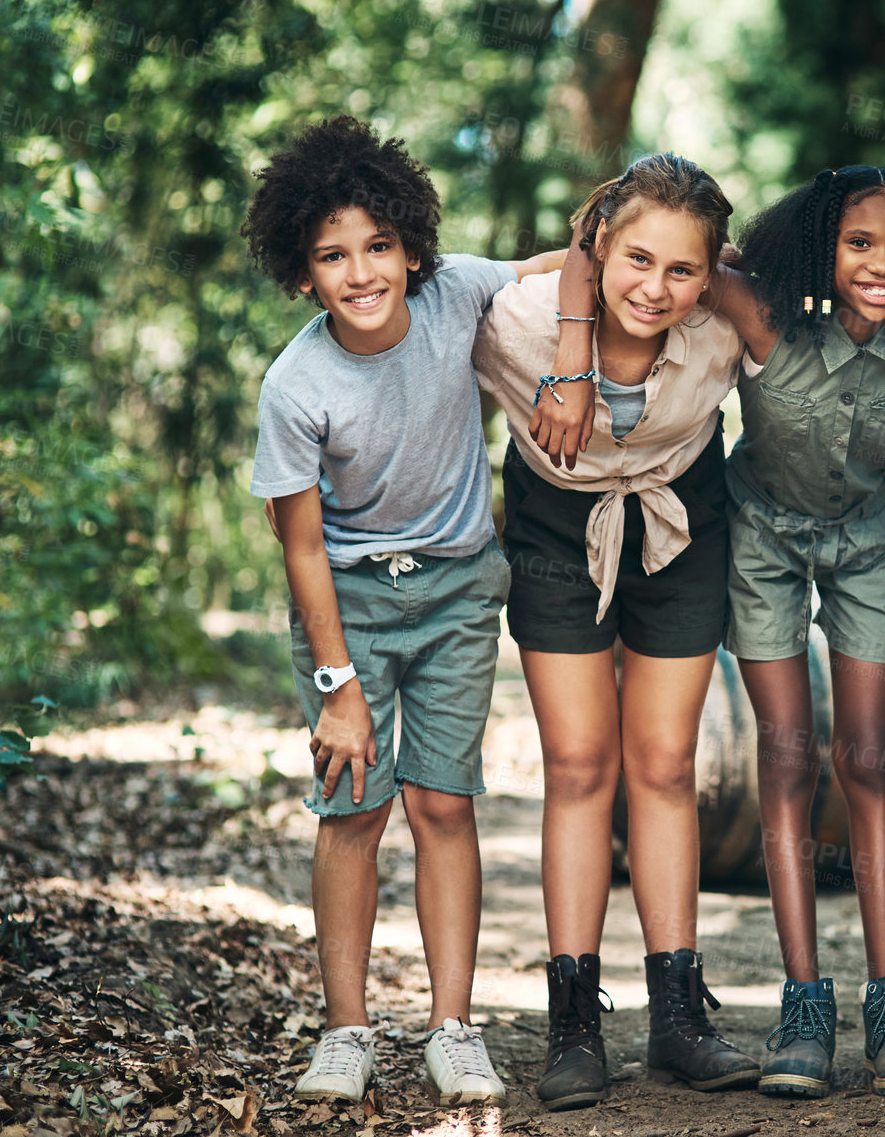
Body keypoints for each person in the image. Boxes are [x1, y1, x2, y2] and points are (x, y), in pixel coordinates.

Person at [242, 115, 562, 1106]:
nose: (361, 271)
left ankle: (452, 1028)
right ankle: (345, 1032)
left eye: (378, 246)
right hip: (348, 607)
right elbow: (298, 545)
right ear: (302, 274)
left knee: (442, 804)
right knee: (355, 810)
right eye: (333, 256)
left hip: (461, 589)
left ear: (412, 247)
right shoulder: (297, 385)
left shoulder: (457, 288)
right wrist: (337, 684)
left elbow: (557, 268)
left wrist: (661, 247)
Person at [470, 153, 759, 1109]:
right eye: (637, 260)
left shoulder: (720, 324)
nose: (657, 287)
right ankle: (574, 1025)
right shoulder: (516, 322)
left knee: (666, 764)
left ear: (711, 272)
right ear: (599, 246)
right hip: (557, 525)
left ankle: (678, 1017)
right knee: (583, 764)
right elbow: (409, 315)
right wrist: (568, 343)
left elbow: (816, 320)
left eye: (683, 270)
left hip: (683, 518)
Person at [696, 164, 885, 1099]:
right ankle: (804, 999)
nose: (881, 263)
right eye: (859, 243)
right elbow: (658, 243)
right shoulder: (765, 315)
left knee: (869, 757)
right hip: (763, 536)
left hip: (873, 543)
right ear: (823, 248)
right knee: (785, 754)